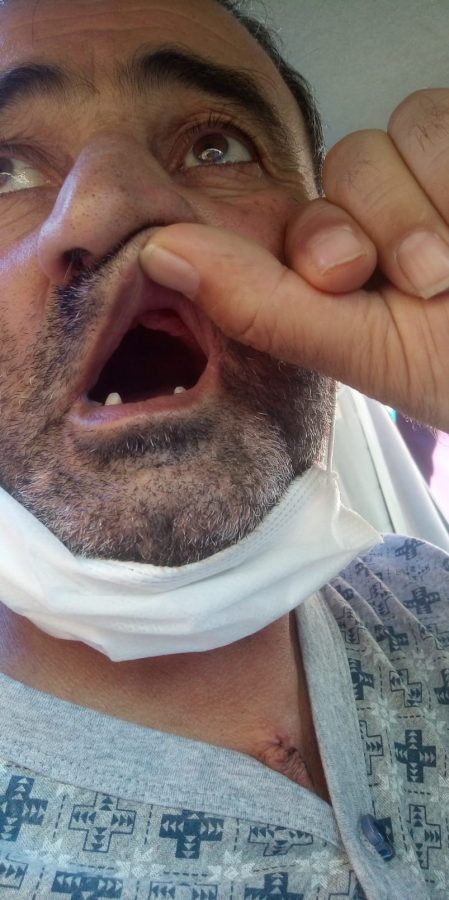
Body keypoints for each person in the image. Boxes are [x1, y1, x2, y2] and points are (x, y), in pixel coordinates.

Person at [0, 0, 447, 897]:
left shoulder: (428, 597)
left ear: (333, 233)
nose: (118, 207)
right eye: (4, 171)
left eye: (216, 147)